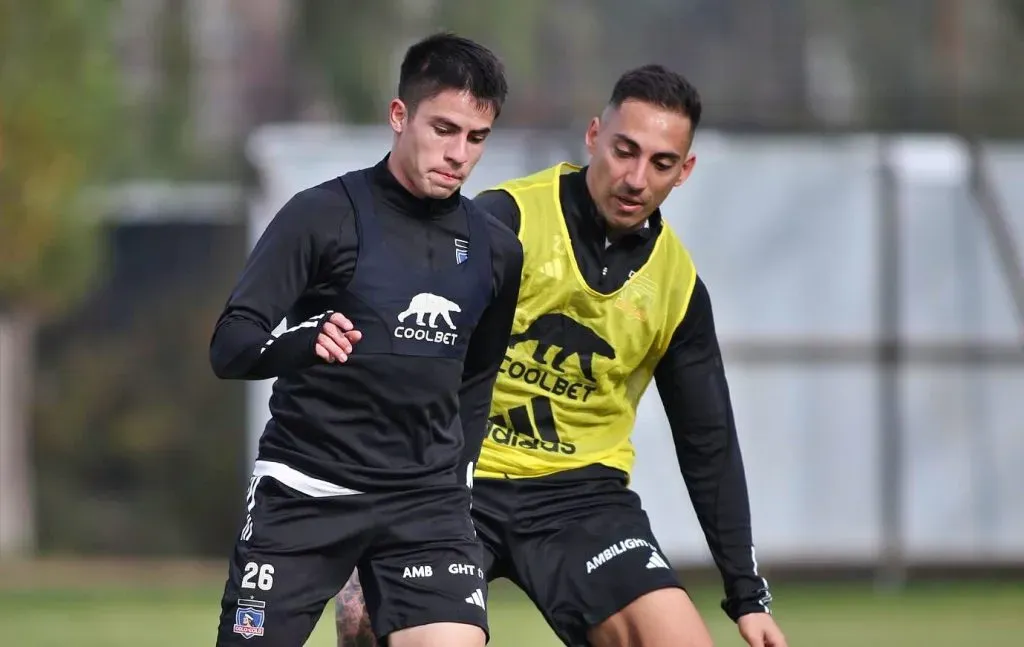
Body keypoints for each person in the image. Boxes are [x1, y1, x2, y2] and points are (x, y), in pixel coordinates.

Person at [335, 64, 789, 647]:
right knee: (417, 637)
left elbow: (709, 441)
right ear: (594, 136)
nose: (635, 177)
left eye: (661, 163)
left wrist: (746, 593)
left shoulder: (676, 286)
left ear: (685, 172)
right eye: (624, 150)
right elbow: (401, 348)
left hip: (580, 499)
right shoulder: (503, 224)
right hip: (453, 479)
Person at [209, 32, 523, 647]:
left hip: (424, 507)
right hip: (305, 492)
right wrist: (304, 341)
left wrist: (453, 483)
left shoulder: (496, 250)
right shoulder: (321, 215)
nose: (458, 153)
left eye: (476, 137)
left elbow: (477, 380)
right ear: (399, 115)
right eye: (443, 129)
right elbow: (230, 344)